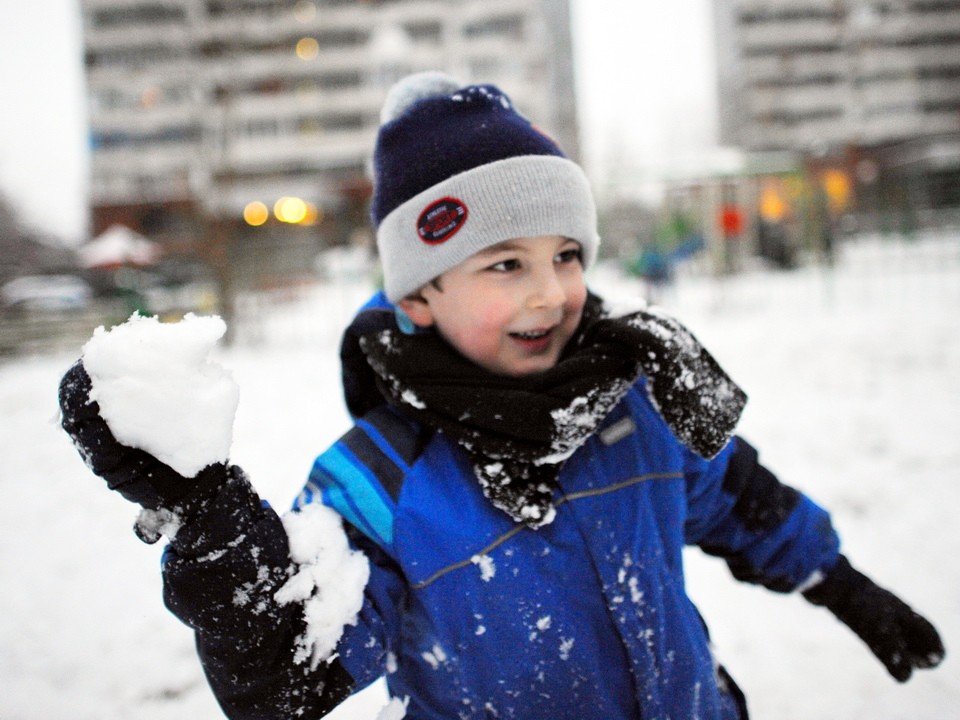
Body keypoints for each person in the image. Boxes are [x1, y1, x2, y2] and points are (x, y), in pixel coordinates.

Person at [58, 72, 944, 720]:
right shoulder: (380, 479)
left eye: (567, 255)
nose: (551, 293)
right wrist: (211, 519)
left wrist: (837, 578)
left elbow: (742, 500)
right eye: (505, 264)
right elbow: (289, 671)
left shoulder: (633, 405)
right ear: (418, 297)